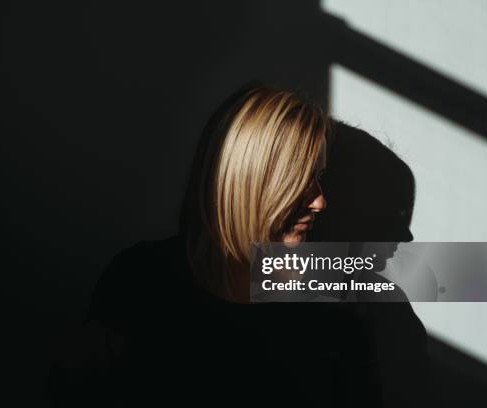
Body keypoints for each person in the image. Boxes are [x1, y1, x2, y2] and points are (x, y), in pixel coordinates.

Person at [48, 83, 428, 407]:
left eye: (322, 180)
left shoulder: (355, 307)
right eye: (302, 180)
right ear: (250, 181)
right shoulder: (141, 279)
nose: (320, 202)